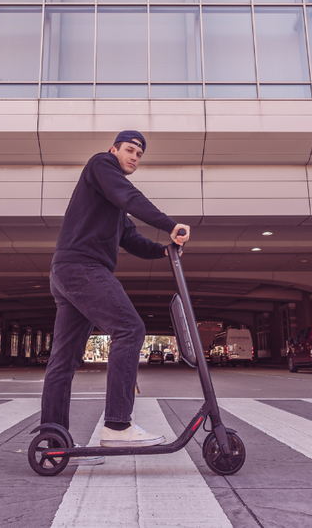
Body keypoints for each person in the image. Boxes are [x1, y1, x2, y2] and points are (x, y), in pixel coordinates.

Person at [41, 130, 190, 459]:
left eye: (139, 153)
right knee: (131, 328)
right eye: (130, 149)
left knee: (63, 360)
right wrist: (169, 223)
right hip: (82, 269)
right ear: (114, 150)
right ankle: (118, 426)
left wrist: (165, 250)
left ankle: (52, 440)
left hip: (67, 272)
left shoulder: (112, 205)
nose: (134, 156)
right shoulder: (101, 165)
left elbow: (132, 239)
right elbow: (128, 195)